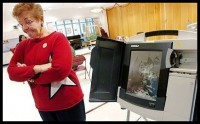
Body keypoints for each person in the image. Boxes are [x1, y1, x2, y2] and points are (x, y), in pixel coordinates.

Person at [7, 3, 86, 121]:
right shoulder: (23, 45)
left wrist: (27, 74)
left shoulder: (58, 38)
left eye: (28, 22)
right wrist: (37, 68)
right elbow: (11, 72)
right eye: (21, 24)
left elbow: (60, 71)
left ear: (41, 19)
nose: (24, 28)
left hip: (69, 101)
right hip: (43, 105)